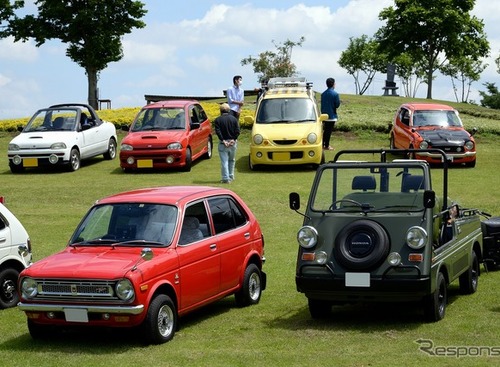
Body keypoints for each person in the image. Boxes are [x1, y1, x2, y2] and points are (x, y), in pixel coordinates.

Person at [214, 103, 240, 183]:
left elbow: (218, 132)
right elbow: (237, 131)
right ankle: (231, 176)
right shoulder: (234, 119)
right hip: (233, 143)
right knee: (231, 160)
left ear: (220, 111)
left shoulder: (218, 120)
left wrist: (223, 140)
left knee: (224, 161)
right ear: (229, 110)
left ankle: (225, 178)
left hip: (223, 143)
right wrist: (233, 139)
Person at [320, 77, 340, 150]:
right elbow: (337, 105)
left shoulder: (323, 94)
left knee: (325, 131)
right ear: (333, 84)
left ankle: (322, 144)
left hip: (323, 116)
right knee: (328, 131)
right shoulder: (335, 94)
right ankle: (327, 145)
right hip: (332, 116)